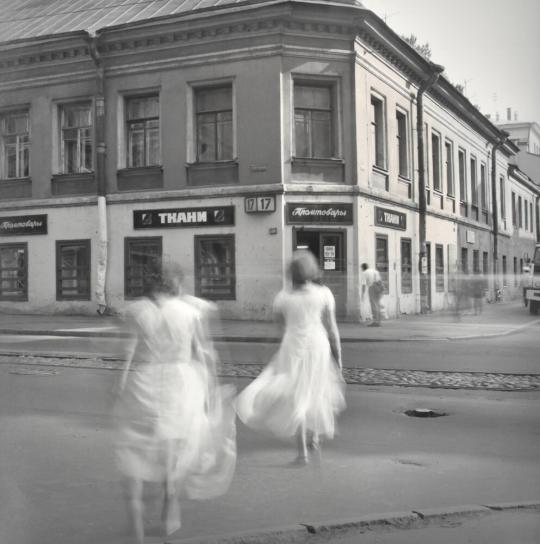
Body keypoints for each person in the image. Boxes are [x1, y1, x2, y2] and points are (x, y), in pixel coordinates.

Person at [113, 263, 236, 543]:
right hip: (181, 383)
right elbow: (203, 353)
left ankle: (137, 525)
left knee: (136, 445)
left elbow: (128, 351)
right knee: (173, 446)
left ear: (151, 285)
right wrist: (210, 388)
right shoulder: (190, 313)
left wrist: (118, 384)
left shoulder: (136, 311)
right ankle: (170, 511)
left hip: (144, 381)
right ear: (174, 286)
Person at [235, 249, 345, 465]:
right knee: (316, 389)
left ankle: (302, 452)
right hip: (317, 345)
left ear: (290, 273)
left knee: (297, 396)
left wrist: (267, 351)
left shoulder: (282, 298)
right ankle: (315, 436)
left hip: (293, 347)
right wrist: (338, 356)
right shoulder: (324, 294)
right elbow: (332, 329)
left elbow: (277, 331)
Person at [361, 263, 384, 327]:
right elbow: (380, 280)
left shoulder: (364, 273)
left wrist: (362, 294)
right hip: (379, 287)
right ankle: (379, 321)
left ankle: (375, 321)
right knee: (377, 304)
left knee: (373, 304)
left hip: (372, 287)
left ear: (363, 268)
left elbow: (363, 285)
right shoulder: (375, 271)